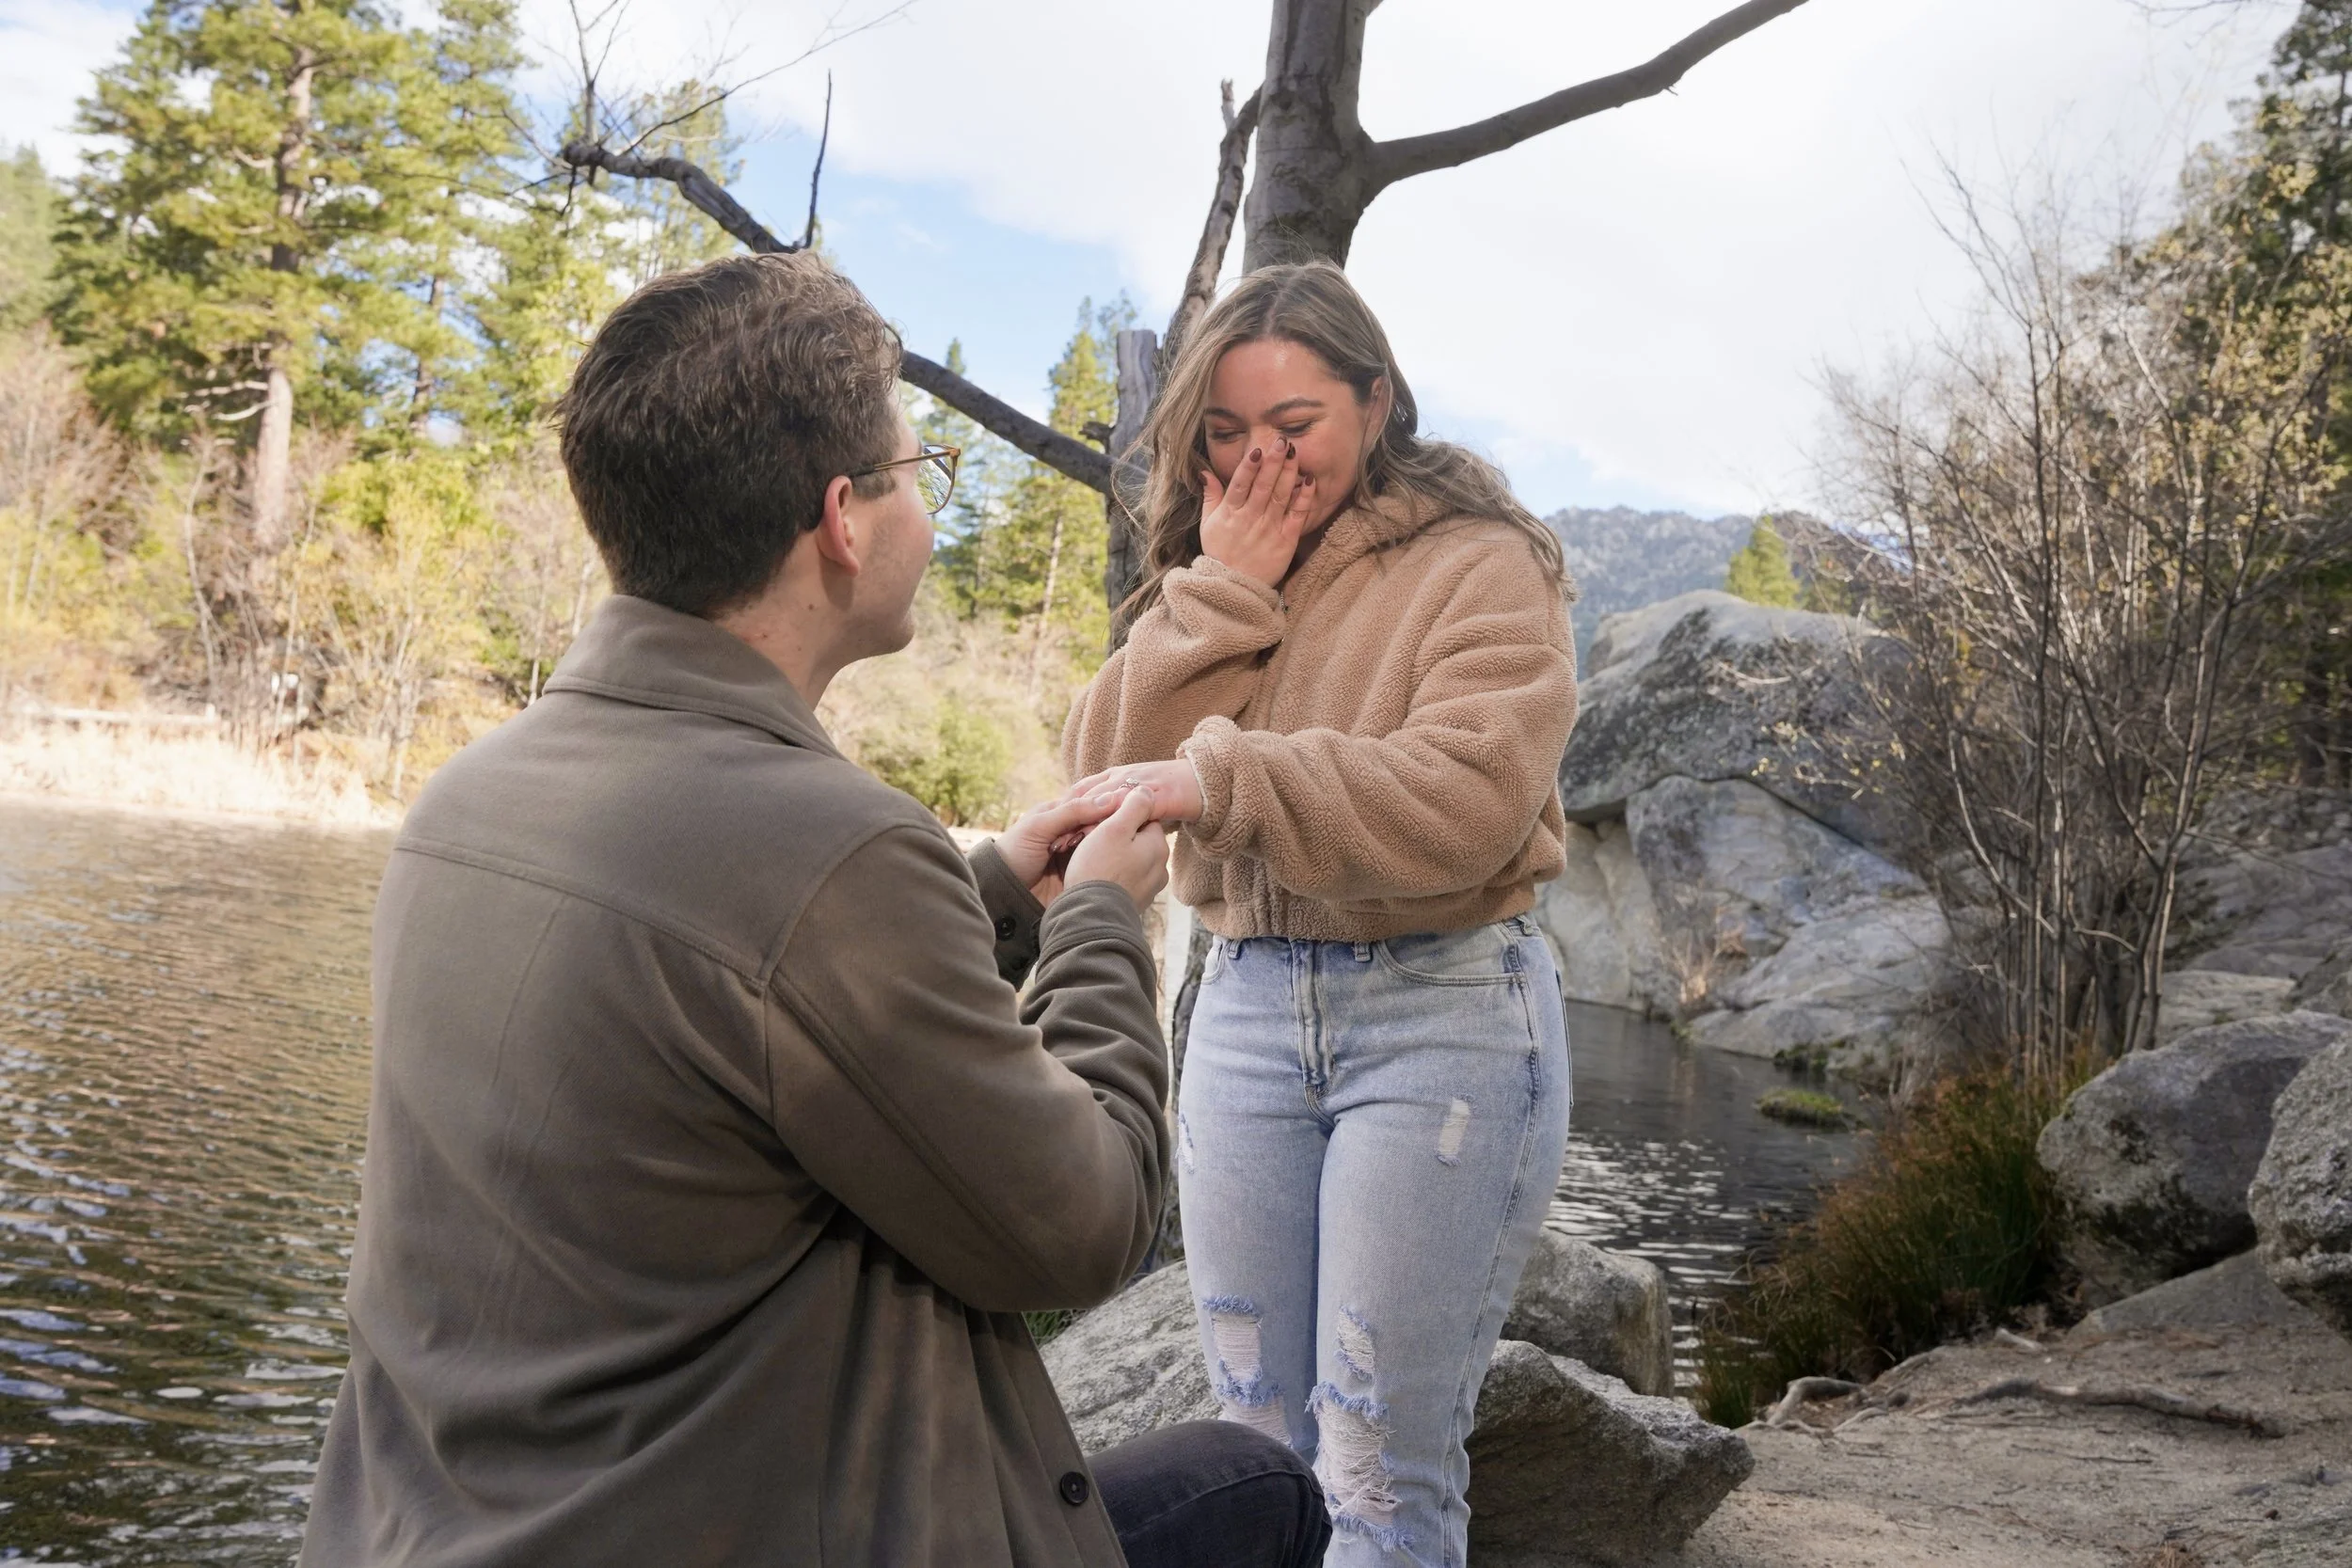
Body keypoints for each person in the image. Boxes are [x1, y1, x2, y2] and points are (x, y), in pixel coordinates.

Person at [298, 251, 1330, 1568]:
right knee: (1261, 1487)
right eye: (920, 474)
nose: (928, 510)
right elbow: (1085, 1221)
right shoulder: (827, 851)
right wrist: (1102, 927)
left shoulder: (464, 801)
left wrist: (1001, 889)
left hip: (429, 1534)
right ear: (845, 518)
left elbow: (730, 995)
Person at [1063, 261, 1581, 1567]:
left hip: (1442, 1012)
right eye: (1225, 435)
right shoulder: (1213, 562)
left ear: (1377, 398)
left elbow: (1469, 796)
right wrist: (1221, 590)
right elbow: (1106, 769)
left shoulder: (1480, 562)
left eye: (1293, 428)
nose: (1257, 464)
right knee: (1253, 1442)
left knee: (1375, 1464)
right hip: (1240, 1006)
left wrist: (1224, 776)